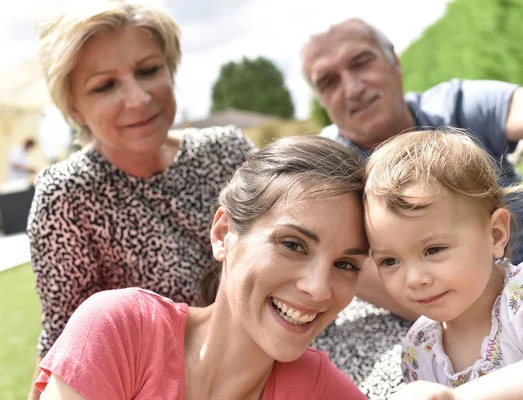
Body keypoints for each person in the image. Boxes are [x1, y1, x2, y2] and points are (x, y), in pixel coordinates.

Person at [302, 18, 523, 396]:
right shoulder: (331, 174)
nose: (352, 88)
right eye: (328, 81)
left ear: (394, 61)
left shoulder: (450, 106)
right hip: (488, 301)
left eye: (361, 63)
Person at [27, 1, 255, 399]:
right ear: (74, 107)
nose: (138, 98)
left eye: (148, 70)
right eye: (105, 85)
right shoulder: (66, 195)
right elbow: (66, 345)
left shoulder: (228, 151)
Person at [35, 136, 369, 400]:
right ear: (223, 234)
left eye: (345, 264)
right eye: (293, 245)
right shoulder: (120, 330)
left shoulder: (317, 388)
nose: (319, 288)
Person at [365, 129, 523, 399]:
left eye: (434, 250)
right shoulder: (419, 349)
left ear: (496, 234)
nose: (414, 278)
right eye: (389, 260)